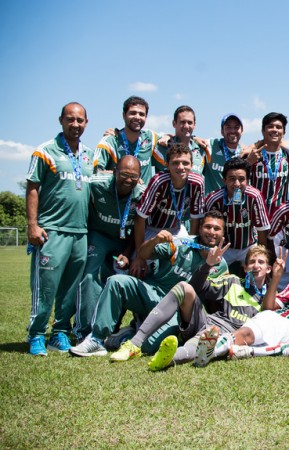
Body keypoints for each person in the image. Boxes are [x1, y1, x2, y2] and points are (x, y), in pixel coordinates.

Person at [69, 211, 228, 357]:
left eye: (217, 229)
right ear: (200, 228)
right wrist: (155, 240)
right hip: (152, 293)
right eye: (208, 227)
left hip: (175, 312)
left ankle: (129, 333)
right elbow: (143, 254)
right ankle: (96, 339)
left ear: (223, 234)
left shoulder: (221, 265)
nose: (211, 232)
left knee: (150, 347)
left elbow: (214, 300)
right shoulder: (182, 243)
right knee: (116, 281)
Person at [109, 244, 270, 370]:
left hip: (226, 336)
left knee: (204, 341)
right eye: (252, 262)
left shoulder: (270, 299)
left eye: (261, 262)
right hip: (206, 322)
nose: (256, 266)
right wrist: (207, 265)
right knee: (184, 287)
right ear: (245, 267)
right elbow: (198, 287)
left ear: (268, 269)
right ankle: (134, 343)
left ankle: (167, 359)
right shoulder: (233, 281)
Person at [25, 102, 94, 355]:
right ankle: (36, 334)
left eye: (80, 120)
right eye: (70, 119)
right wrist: (32, 225)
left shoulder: (90, 155)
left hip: (80, 232)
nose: (75, 124)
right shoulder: (45, 151)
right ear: (61, 120)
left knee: (70, 290)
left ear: (86, 123)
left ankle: (60, 332)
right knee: (46, 287)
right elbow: (32, 187)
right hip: (51, 230)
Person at [77, 156, 144, 340]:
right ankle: (85, 330)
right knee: (89, 276)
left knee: (118, 279)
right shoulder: (96, 183)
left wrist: (128, 252)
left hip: (124, 242)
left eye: (134, 176)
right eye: (124, 174)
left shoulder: (142, 193)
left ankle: (111, 328)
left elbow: (140, 226)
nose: (128, 180)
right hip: (99, 236)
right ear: (114, 172)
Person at [130, 142, 205, 278]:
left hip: (176, 229)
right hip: (152, 229)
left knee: (186, 266)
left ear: (192, 165)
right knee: (138, 269)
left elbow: (195, 219)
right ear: (167, 164)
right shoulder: (159, 181)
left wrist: (192, 248)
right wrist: (140, 256)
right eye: (175, 163)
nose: (181, 167)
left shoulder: (197, 183)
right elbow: (140, 219)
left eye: (185, 163)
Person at [205, 157, 270, 268]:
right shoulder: (214, 199)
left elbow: (262, 230)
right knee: (210, 273)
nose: (236, 184)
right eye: (232, 179)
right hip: (223, 248)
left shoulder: (255, 196)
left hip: (249, 246)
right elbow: (205, 229)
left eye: (241, 179)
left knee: (259, 270)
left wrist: (260, 255)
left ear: (247, 180)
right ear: (224, 180)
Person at [94, 96, 158, 183]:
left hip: (144, 192)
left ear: (146, 117)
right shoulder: (109, 142)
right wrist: (123, 175)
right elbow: (95, 172)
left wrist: (167, 137)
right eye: (133, 113)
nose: (137, 117)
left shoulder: (151, 137)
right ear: (124, 115)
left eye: (141, 114)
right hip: (117, 192)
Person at [246, 112, 289, 220]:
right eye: (270, 126)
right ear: (263, 131)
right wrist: (248, 162)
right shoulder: (253, 154)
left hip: (280, 216)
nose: (274, 130)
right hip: (255, 214)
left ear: (284, 132)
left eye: (278, 127)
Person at [153, 105, 210, 175]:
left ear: (194, 124)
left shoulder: (201, 150)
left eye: (190, 122)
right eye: (182, 122)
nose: (186, 126)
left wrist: (194, 138)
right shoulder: (160, 147)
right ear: (174, 123)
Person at [204, 113, 245, 194]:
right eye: (228, 127)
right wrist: (194, 138)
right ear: (222, 131)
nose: (232, 131)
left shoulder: (245, 152)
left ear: (242, 131)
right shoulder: (211, 145)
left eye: (236, 127)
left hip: (236, 200)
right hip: (213, 200)